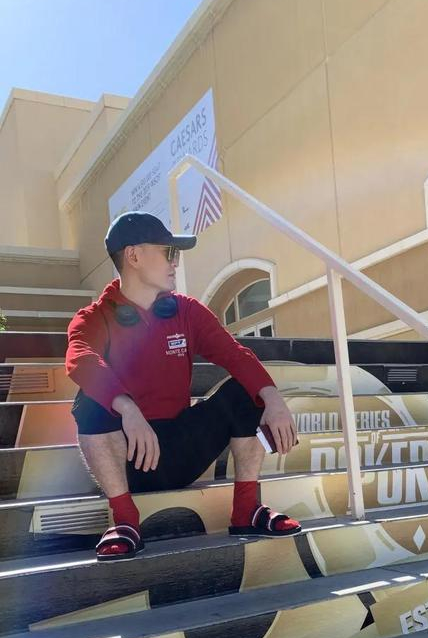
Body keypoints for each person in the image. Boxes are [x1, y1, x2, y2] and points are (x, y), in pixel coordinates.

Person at [65, 210, 302, 562]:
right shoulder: (94, 317)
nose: (175, 262)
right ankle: (126, 522)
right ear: (133, 256)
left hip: (180, 450)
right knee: (89, 400)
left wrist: (274, 399)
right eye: (168, 252)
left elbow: (236, 355)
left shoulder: (186, 311)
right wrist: (127, 408)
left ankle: (246, 510)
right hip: (128, 461)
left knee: (244, 392)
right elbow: (81, 359)